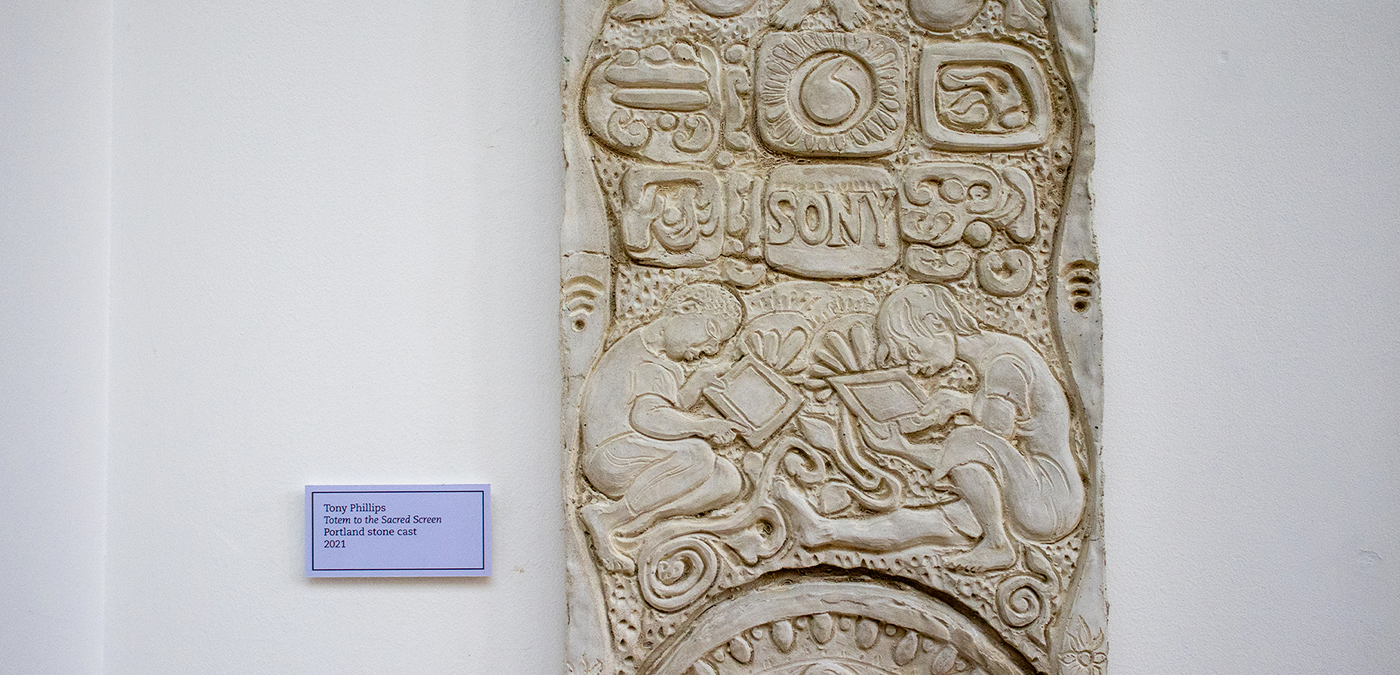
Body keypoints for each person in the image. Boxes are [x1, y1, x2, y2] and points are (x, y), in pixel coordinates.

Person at [777, 283, 1084, 572]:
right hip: (1022, 494)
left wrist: (945, 415)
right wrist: (907, 443)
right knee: (923, 523)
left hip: (1050, 499)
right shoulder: (992, 364)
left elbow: (992, 436)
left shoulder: (1005, 361)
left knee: (966, 439)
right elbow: (987, 453)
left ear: (936, 324)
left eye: (911, 350)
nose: (912, 366)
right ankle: (822, 530)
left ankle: (997, 544)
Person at [579, 282, 746, 573]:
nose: (711, 348)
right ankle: (607, 518)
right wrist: (704, 426)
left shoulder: (663, 359)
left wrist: (698, 381)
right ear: (687, 308)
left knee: (728, 479)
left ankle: (636, 527)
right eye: (712, 333)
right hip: (610, 456)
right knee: (697, 455)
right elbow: (650, 418)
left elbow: (670, 404)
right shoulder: (645, 356)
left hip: (637, 450)